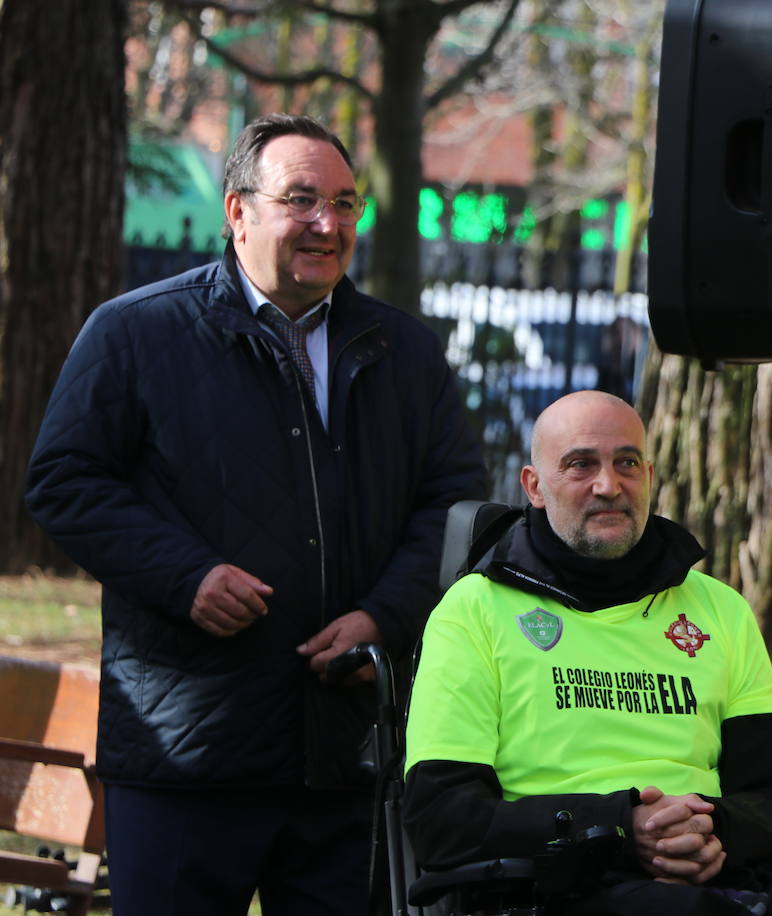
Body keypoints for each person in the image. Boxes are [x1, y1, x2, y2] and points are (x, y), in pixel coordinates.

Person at [25, 113, 487, 915]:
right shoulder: (136, 333)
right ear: (237, 212)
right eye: (301, 199)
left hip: (348, 753)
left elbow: (453, 504)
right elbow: (65, 481)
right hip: (189, 755)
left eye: (345, 204)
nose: (327, 224)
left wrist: (385, 613)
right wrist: (186, 575)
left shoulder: (404, 352)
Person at [403, 390, 772, 915]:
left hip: (717, 872)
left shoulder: (718, 609)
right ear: (535, 487)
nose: (608, 485)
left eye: (627, 463)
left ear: (651, 476)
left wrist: (713, 830)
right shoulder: (474, 610)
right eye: (580, 464)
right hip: (559, 883)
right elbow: (442, 819)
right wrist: (618, 828)